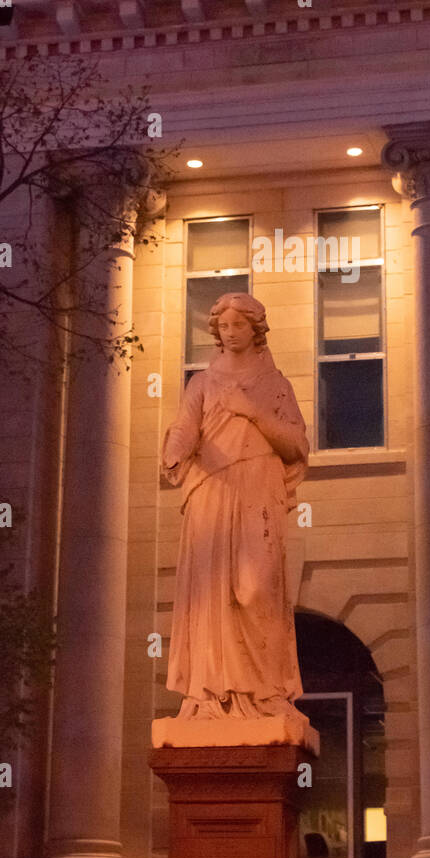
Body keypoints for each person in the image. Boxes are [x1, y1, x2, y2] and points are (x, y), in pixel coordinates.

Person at [161, 292, 309, 722]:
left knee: (257, 587)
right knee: (211, 592)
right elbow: (185, 430)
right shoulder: (203, 384)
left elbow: (296, 444)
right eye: (223, 327)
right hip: (211, 487)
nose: (230, 333)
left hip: (258, 487)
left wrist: (253, 413)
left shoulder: (275, 386)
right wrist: (175, 452)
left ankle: (266, 693)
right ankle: (210, 694)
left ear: (255, 329)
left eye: (238, 325)